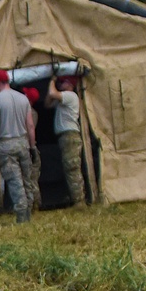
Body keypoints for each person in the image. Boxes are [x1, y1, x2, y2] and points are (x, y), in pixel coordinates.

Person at [0, 71, 36, 224]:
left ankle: (21, 216)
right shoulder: (23, 99)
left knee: (14, 181)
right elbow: (30, 126)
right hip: (23, 142)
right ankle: (29, 211)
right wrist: (32, 147)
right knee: (27, 178)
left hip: (6, 144)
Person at [45, 75, 86, 206]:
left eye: (63, 82)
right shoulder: (63, 98)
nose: (60, 84)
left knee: (72, 168)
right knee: (69, 168)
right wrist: (51, 91)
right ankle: (75, 196)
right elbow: (47, 104)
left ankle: (79, 200)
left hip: (70, 135)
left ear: (70, 84)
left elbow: (53, 93)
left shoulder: (70, 96)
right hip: (65, 136)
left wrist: (52, 80)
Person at [21, 86, 42, 211]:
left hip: (29, 148)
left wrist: (31, 148)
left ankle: (35, 204)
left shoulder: (31, 114)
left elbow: (29, 131)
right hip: (29, 148)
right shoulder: (29, 113)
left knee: (31, 179)